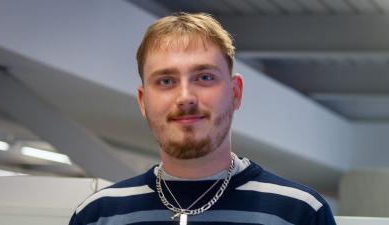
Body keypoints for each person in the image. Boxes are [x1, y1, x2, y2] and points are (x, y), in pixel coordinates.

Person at [69, 12, 336, 225]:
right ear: (143, 101)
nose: (185, 96)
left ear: (235, 93)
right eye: (166, 81)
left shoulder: (299, 213)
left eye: (204, 77)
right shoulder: (98, 215)